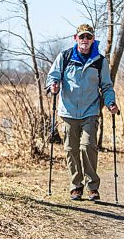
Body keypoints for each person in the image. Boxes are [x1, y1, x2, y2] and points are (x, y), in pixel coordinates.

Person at [46, 24, 119, 201]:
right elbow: (52, 76)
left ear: (93, 39)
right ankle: (76, 186)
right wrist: (53, 85)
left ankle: (92, 187)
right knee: (71, 149)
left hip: (90, 111)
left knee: (87, 147)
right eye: (82, 37)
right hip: (68, 112)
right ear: (75, 38)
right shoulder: (65, 57)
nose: (85, 40)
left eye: (88, 37)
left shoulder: (100, 61)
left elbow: (106, 86)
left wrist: (111, 103)